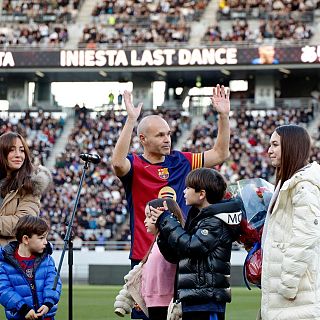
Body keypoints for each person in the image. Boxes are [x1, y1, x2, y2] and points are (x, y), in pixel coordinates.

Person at [111, 84, 231, 265]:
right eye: (160, 135)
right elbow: (118, 163)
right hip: (145, 256)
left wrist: (223, 116)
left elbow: (220, 154)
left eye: (168, 134)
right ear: (143, 139)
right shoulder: (135, 165)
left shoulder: (181, 160)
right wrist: (131, 120)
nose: (167, 139)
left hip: (180, 252)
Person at [152, 168, 243, 320]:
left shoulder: (215, 221)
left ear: (201, 194)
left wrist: (168, 221)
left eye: (188, 188)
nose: (184, 192)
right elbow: (176, 255)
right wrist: (163, 232)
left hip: (207, 299)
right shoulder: (199, 219)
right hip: (194, 297)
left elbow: (192, 247)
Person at [260, 124, 320, 320]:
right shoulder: (289, 182)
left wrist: (287, 285)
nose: (269, 150)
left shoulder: (304, 186)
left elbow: (306, 237)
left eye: (275, 144)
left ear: (291, 146)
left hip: (296, 295)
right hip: (288, 295)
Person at [114, 198, 184, 320]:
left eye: (150, 216)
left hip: (164, 301)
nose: (145, 221)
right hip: (154, 301)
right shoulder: (157, 242)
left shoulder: (169, 240)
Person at [0, 215, 62, 320]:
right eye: (41, 238)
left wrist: (48, 303)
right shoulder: (5, 263)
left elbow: (53, 282)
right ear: (26, 239)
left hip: (46, 317)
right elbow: (3, 290)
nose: (46, 242)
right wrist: (23, 308)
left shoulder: (47, 260)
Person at [0, 132, 52, 246]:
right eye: (12, 150)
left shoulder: (31, 185)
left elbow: (24, 223)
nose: (18, 155)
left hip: (8, 256)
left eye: (22, 150)